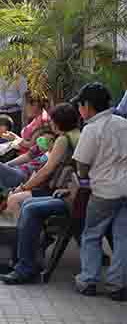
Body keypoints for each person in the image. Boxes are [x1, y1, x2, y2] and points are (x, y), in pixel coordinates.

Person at [0, 103, 81, 251]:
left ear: (59, 122)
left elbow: (45, 170)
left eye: (52, 120)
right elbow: (29, 155)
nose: (50, 122)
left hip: (25, 178)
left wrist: (24, 187)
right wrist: (7, 166)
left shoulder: (60, 141)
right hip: (16, 172)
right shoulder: (50, 138)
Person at [72, 83, 127, 301]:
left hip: (104, 192)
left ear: (87, 106)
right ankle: (117, 284)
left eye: (80, 105)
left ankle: (88, 280)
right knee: (123, 237)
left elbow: (82, 164)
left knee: (92, 235)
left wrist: (83, 178)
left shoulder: (92, 129)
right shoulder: (123, 123)